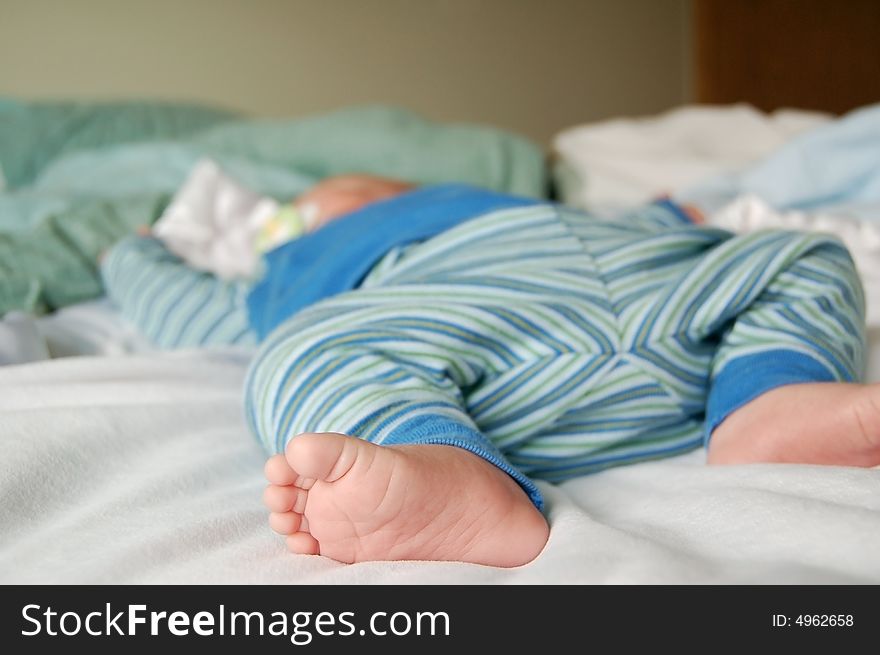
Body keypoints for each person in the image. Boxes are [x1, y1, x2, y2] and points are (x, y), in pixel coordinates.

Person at [101, 174, 876, 568]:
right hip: (471, 339)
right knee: (295, 354)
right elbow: (182, 309)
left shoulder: (522, 203)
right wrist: (132, 252)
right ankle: (444, 463)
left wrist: (670, 219)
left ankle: (767, 398)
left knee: (805, 255)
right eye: (318, 207)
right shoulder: (294, 279)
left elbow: (662, 230)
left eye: (372, 188)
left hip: (655, 295)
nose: (352, 199)